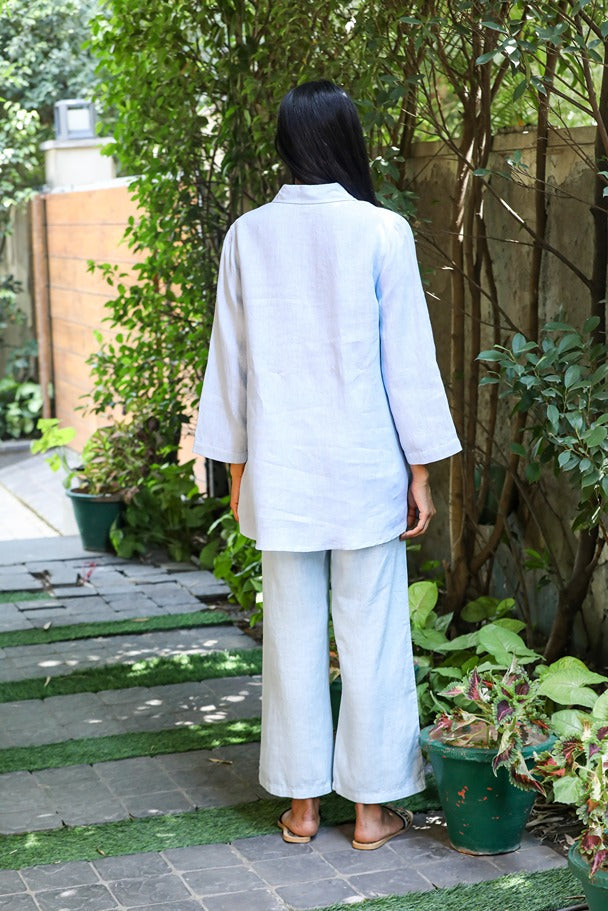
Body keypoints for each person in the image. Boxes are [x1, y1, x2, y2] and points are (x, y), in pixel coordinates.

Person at [194, 80, 461, 850]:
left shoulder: (248, 234)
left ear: (286, 144)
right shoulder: (383, 231)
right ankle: (374, 813)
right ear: (347, 140)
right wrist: (420, 471)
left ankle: (304, 808)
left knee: (292, 633)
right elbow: (406, 361)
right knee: (373, 633)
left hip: (282, 473)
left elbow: (230, 366)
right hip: (365, 470)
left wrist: (237, 473)